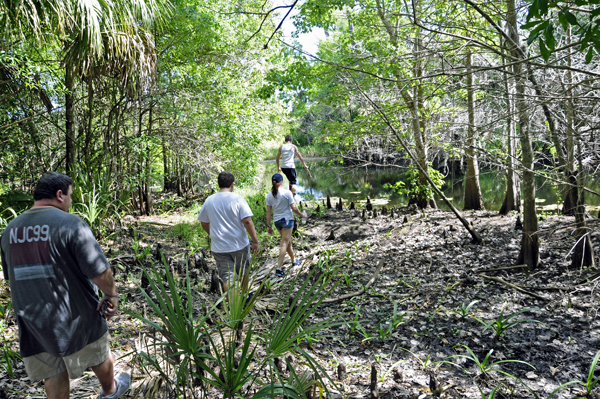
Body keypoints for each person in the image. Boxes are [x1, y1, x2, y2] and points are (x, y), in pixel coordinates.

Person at [0, 172, 129, 399]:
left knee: (52, 370)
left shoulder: (11, 230)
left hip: (32, 319)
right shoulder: (70, 224)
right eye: (70, 196)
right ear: (60, 195)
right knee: (97, 351)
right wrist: (112, 294)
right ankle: (110, 391)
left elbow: (12, 277)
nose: (70, 201)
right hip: (74, 314)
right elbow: (99, 270)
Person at [198, 171, 260, 292]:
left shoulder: (209, 200)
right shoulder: (237, 199)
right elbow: (247, 221)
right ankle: (244, 298)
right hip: (239, 245)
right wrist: (255, 241)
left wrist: (214, 235)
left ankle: (232, 307)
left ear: (218, 184)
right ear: (232, 184)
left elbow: (204, 223)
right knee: (244, 272)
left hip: (219, 247)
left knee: (228, 277)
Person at [266, 173, 307, 273]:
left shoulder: (269, 195)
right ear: (281, 182)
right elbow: (294, 208)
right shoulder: (287, 193)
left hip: (277, 222)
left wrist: (269, 226)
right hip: (287, 221)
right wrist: (302, 215)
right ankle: (279, 268)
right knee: (284, 243)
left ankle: (294, 260)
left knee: (288, 242)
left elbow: (268, 212)